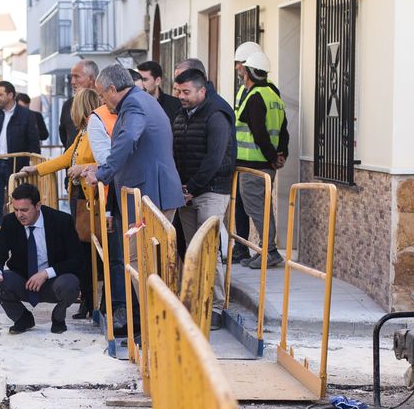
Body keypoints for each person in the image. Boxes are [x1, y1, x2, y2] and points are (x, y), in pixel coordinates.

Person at [77, 63, 182, 337]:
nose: (102, 101)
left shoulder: (133, 106)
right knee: (147, 261)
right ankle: (158, 321)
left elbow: (127, 140)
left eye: (102, 95)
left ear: (113, 89)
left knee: (138, 259)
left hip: (149, 197)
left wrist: (103, 172)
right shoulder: (143, 100)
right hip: (151, 194)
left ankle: (155, 325)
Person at [14, 87, 114, 319]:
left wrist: (83, 168)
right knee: (84, 250)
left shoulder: (93, 132)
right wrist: (36, 169)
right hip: (80, 199)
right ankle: (88, 300)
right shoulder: (83, 133)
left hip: (91, 201)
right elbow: (65, 158)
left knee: (91, 252)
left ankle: (94, 302)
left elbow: (100, 161)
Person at [0, 182, 85, 334]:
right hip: (24, 281)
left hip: (54, 282)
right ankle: (22, 318)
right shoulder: (10, 222)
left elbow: (77, 260)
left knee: (70, 284)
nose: (19, 215)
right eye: (16, 209)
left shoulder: (61, 221)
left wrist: (46, 273)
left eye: (24, 210)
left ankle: (58, 317)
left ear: (38, 205)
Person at [232, 41, 290, 268]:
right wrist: (280, 154)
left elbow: (259, 133)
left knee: (257, 209)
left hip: (256, 163)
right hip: (263, 163)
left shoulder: (255, 97)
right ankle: (266, 250)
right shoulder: (272, 94)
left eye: (241, 67)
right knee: (260, 208)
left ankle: (270, 252)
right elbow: (283, 129)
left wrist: (271, 158)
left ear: (247, 71)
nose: (238, 70)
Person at [171, 67, 236, 258]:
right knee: (193, 255)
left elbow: (214, 158)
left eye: (186, 92)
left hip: (211, 192)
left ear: (202, 91)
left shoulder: (217, 113)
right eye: (178, 91)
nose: (180, 96)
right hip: (187, 193)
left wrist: (191, 187)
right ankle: (195, 290)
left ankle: (214, 290)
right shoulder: (184, 112)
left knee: (208, 255)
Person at [0, 80, 45, 232]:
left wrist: (31, 166)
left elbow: (33, 142)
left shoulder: (26, 115)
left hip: (17, 166)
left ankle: (18, 238)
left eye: (0, 94)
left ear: (10, 95)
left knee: (20, 205)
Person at [59, 59, 99, 149]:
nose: (72, 82)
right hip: (71, 159)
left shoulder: (106, 104)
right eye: (71, 77)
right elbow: (64, 136)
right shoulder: (68, 105)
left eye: (77, 77)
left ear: (91, 78)